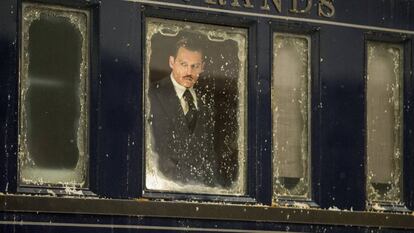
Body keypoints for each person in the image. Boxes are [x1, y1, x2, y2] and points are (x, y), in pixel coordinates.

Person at [148, 35, 218, 186]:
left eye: (195, 66)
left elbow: (211, 157)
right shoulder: (151, 95)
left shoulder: (207, 103)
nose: (189, 72)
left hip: (201, 192)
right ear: (171, 62)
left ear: (202, 67)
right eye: (183, 64)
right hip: (161, 190)